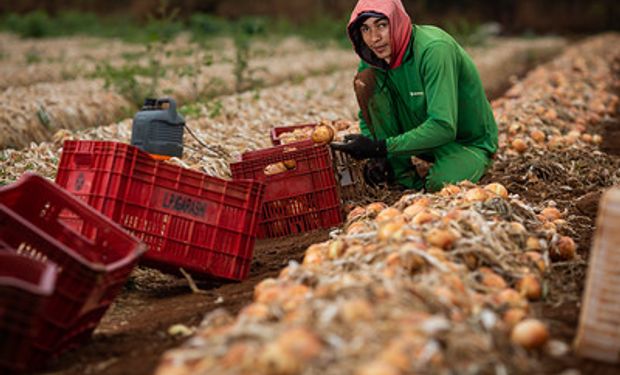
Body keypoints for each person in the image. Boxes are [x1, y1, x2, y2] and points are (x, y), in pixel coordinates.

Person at [331, 0, 498, 192]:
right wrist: (377, 156)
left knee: (440, 185)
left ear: (397, 22)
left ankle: (475, 159)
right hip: (422, 136)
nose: (374, 38)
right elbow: (368, 114)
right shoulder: (373, 59)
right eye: (365, 29)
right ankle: (403, 177)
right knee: (366, 81)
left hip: (465, 141)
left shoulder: (434, 50)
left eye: (381, 25)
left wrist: (380, 147)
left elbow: (444, 127)